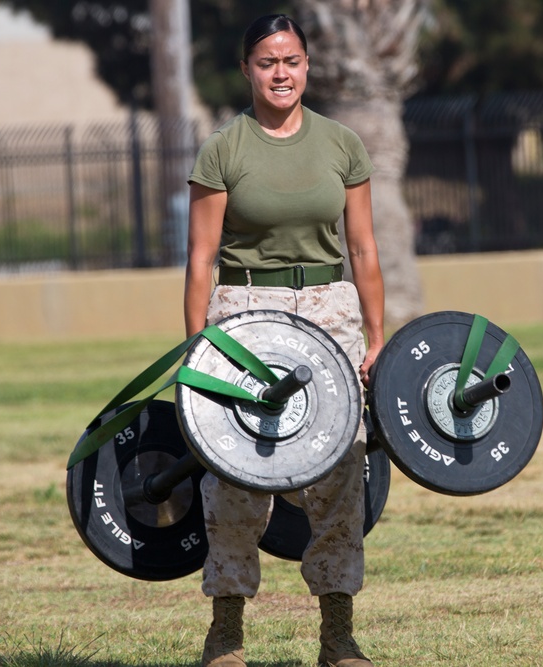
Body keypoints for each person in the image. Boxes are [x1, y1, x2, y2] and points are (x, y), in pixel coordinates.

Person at [183, 14, 385, 667]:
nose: (280, 73)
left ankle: (338, 633)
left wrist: (378, 335)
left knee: (341, 465)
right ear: (247, 67)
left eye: (291, 61)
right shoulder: (223, 149)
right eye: (268, 61)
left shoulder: (342, 143)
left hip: (328, 306)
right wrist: (198, 349)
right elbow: (200, 258)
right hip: (245, 309)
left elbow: (362, 245)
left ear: (307, 66)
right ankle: (226, 631)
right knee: (237, 472)